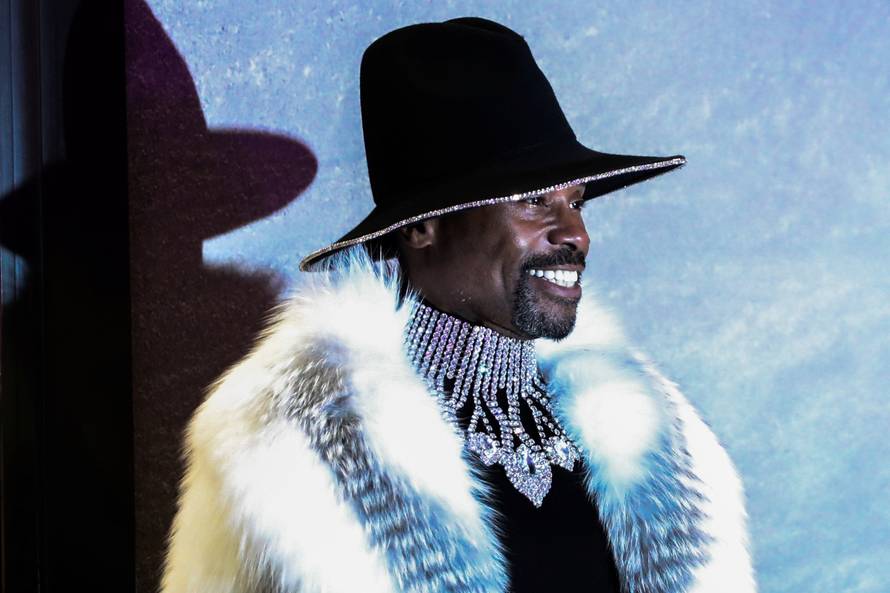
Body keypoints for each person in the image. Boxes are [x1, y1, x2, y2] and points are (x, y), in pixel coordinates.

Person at [161, 17, 755, 593]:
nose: (576, 233)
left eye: (577, 202)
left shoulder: (660, 439)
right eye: (531, 201)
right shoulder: (289, 449)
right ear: (423, 228)